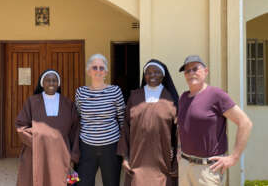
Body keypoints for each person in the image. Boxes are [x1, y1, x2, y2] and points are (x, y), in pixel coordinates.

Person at [177, 55, 253, 186]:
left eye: (195, 69)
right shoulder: (183, 97)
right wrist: (179, 148)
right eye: (187, 71)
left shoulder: (216, 95)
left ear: (205, 71)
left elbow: (245, 123)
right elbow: (182, 126)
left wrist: (233, 158)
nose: (191, 73)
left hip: (207, 170)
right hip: (185, 166)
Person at [117, 59, 179, 186]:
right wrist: (125, 158)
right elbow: (126, 129)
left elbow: (179, 133)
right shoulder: (135, 97)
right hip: (137, 162)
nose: (152, 75)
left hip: (163, 162)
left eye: (156, 72)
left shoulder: (171, 99)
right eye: (148, 72)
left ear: (163, 75)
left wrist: (176, 161)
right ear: (144, 76)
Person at [15, 69, 80, 186]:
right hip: (37, 152)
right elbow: (21, 126)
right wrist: (37, 140)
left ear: (58, 83)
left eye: (54, 80)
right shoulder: (32, 102)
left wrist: (74, 156)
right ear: (42, 83)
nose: (51, 83)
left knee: (61, 181)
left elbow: (75, 131)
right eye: (48, 80)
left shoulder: (68, 103)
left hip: (61, 154)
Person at [75, 54, 125, 186]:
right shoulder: (81, 92)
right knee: (81, 182)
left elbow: (122, 119)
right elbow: (79, 116)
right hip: (86, 147)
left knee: (111, 182)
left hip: (111, 147)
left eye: (101, 68)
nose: (98, 71)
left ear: (106, 72)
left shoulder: (115, 91)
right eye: (94, 67)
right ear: (88, 71)